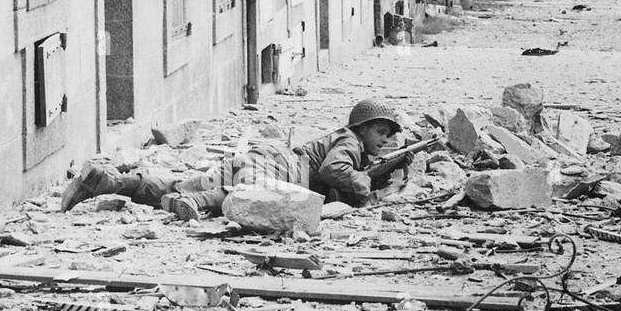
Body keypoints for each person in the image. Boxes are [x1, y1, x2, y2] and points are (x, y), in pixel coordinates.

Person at [60, 99, 406, 221]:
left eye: (390, 136)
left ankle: (106, 181)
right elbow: (334, 170)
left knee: (186, 183)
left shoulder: (352, 143)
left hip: (259, 159)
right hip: (281, 168)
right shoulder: (349, 141)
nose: (385, 140)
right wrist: (363, 183)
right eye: (380, 133)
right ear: (361, 129)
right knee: (248, 195)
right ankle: (193, 202)